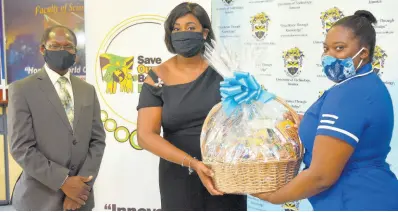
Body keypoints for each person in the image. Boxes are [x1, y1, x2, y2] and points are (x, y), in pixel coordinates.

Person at [254, 10, 398, 210]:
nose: (329, 56)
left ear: (363, 53)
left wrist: (273, 197)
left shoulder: (351, 92)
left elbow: (321, 176)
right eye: (326, 49)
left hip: (355, 200)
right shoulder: (364, 84)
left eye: (339, 48)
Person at [137, 2, 247, 211]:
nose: (182, 34)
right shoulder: (156, 77)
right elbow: (145, 136)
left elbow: (248, 115)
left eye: (190, 27)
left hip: (225, 173)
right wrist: (193, 163)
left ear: (204, 32)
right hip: (179, 174)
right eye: (176, 29)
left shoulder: (226, 69)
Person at [8, 25, 106, 211]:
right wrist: (64, 182)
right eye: (54, 45)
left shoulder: (87, 90)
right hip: (39, 200)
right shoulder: (21, 89)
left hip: (80, 200)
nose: (62, 50)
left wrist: (79, 191)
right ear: (43, 49)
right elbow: (21, 147)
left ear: (75, 52)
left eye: (68, 46)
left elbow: (97, 140)